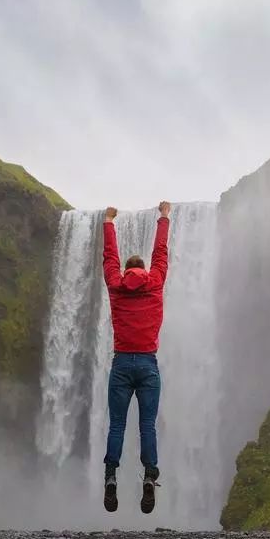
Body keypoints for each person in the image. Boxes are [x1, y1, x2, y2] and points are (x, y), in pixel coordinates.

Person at [102, 201, 171, 514]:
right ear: (143, 271)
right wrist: (164, 218)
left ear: (124, 271)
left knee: (117, 425)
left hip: (121, 364)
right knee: (147, 426)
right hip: (147, 365)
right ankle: (149, 475)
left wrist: (108, 222)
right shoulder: (155, 283)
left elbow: (109, 258)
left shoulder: (115, 286)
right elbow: (161, 253)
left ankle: (111, 476)